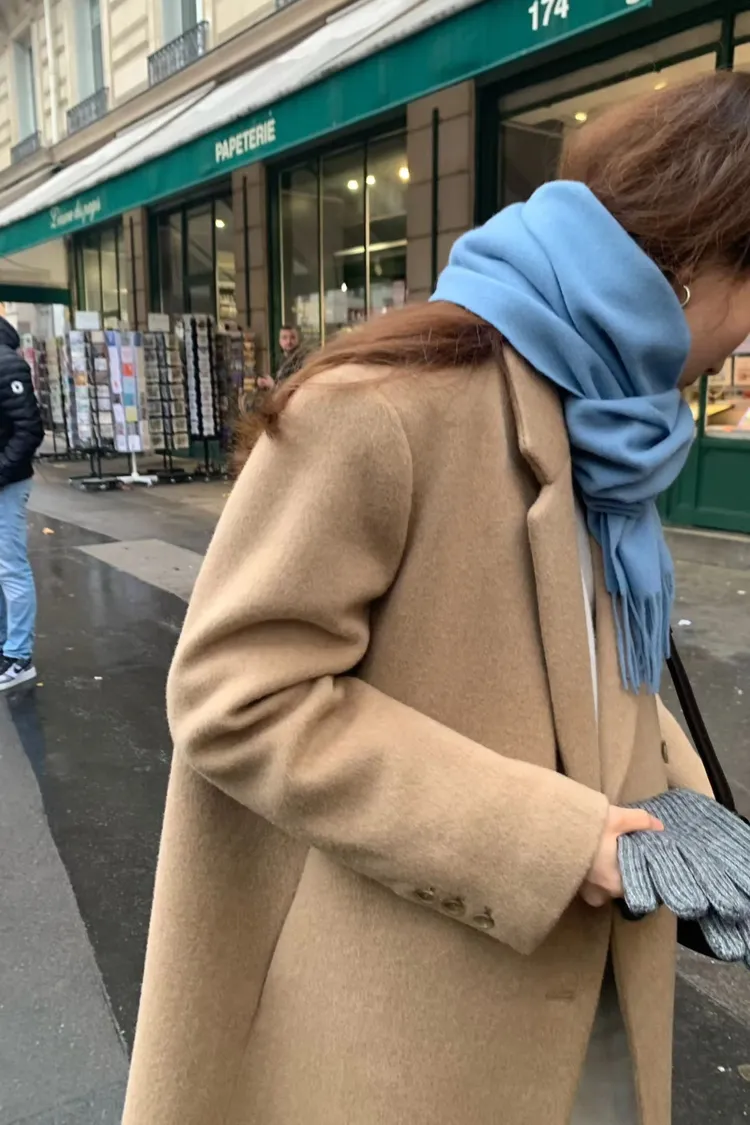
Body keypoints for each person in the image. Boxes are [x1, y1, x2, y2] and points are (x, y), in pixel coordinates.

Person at [123, 71, 750, 1125]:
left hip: (589, 998)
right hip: (404, 1020)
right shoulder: (383, 407)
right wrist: (561, 842)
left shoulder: (612, 420)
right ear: (693, 265)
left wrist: (680, 803)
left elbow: (603, 674)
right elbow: (238, 696)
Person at [0, 316, 43, 691]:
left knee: (11, 568)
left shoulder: (7, 363)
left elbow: (30, 428)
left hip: (8, 483)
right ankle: (6, 648)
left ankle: (19, 657)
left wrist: (1, 471)